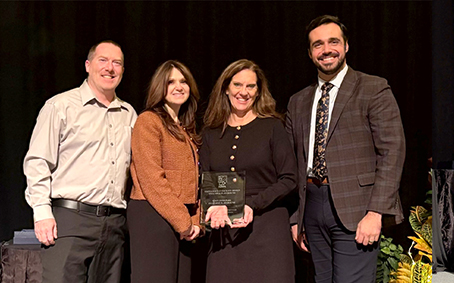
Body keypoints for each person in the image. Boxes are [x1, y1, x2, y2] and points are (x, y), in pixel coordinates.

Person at [286, 15, 406, 283]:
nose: (326, 50)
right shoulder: (298, 101)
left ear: (346, 46)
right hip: (312, 208)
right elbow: (292, 163)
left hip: (357, 209)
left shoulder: (373, 88)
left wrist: (375, 212)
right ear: (309, 52)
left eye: (333, 42)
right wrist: (297, 217)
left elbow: (392, 152)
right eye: (318, 44)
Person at [23, 40, 137, 283]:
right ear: (87, 65)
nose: (110, 68)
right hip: (70, 220)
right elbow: (38, 161)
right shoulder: (60, 106)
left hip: (114, 224)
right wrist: (41, 212)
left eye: (117, 63)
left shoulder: (129, 114)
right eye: (102, 60)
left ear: (123, 71)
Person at [200, 59, 297, 282]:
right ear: (226, 88)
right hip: (225, 233)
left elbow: (290, 178)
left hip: (268, 230)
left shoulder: (273, 127)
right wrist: (214, 207)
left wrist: (251, 205)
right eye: (237, 84)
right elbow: (204, 179)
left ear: (258, 91)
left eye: (250, 86)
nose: (243, 92)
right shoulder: (210, 132)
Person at [128, 60, 202, 282]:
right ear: (160, 86)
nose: (178, 87)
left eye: (183, 81)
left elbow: (194, 181)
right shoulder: (148, 121)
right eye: (171, 82)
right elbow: (151, 179)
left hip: (180, 221)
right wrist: (184, 222)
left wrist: (195, 220)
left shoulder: (185, 127)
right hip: (153, 215)